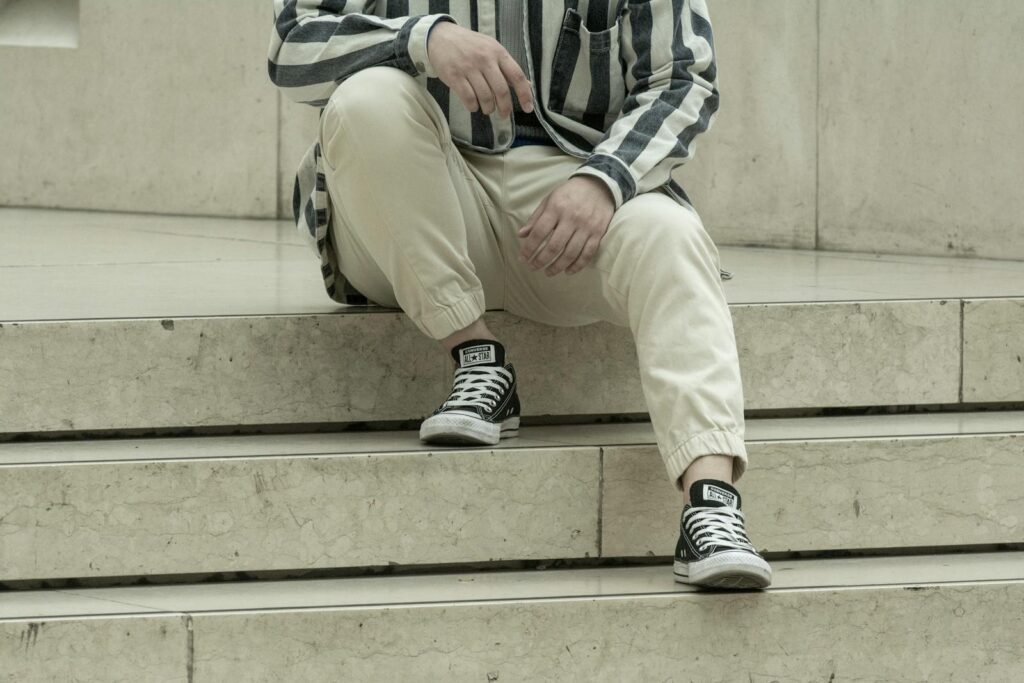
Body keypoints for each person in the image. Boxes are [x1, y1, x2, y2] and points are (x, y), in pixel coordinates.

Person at [268, 0, 771, 589]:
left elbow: (684, 79)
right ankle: (476, 357)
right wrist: (421, 39)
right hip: (412, 203)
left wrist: (605, 179)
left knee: (673, 234)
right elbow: (293, 45)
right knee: (365, 100)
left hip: (567, 201)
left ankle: (711, 505)